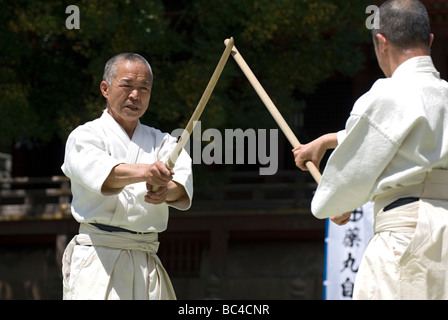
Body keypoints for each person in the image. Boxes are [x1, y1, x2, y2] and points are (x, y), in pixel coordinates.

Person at [293, 0, 448, 299]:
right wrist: (329, 140)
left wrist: (334, 202)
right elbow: (414, 131)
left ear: (381, 42)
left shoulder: (385, 94)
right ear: (429, 40)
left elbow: (337, 196)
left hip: (406, 236)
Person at [61, 53, 193, 300]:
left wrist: (166, 191)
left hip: (146, 256)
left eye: (144, 88)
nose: (135, 95)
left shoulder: (164, 142)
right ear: (105, 88)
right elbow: (105, 176)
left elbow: (180, 186)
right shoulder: (84, 136)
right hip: (98, 258)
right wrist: (147, 171)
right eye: (127, 85)